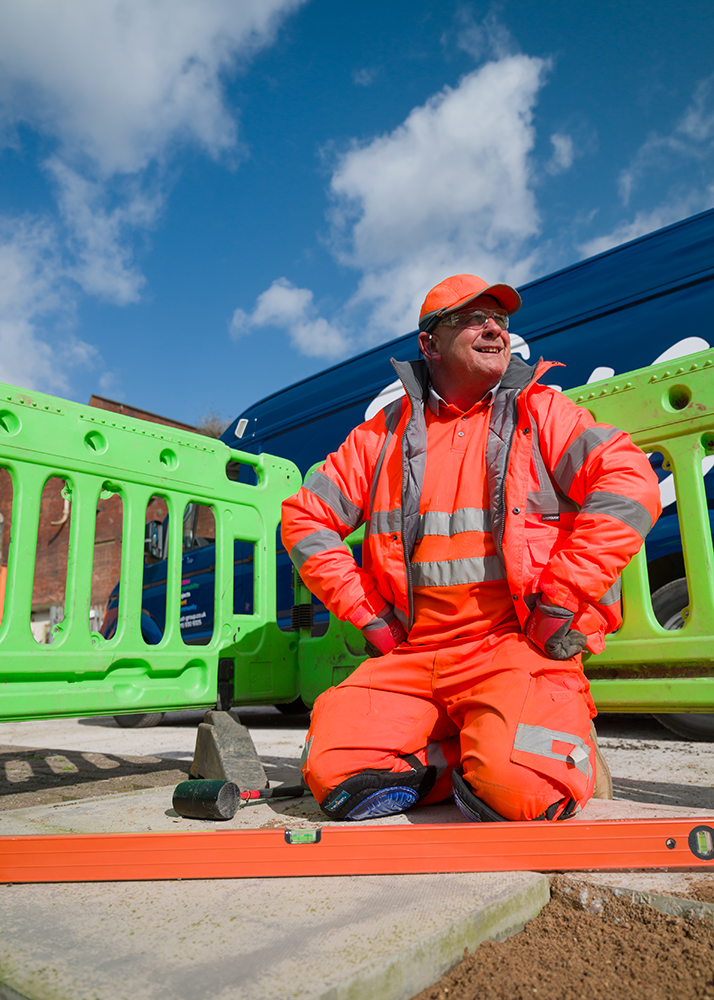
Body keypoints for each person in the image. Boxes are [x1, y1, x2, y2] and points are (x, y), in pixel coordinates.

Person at [281, 273, 661, 823]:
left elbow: (629, 484)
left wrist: (561, 598)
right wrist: (367, 615)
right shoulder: (379, 437)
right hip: (414, 656)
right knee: (336, 778)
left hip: (515, 649)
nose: (492, 329)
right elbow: (304, 519)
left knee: (525, 794)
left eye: (500, 321)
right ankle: (478, 749)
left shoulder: (543, 413)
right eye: (470, 319)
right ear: (429, 343)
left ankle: (506, 751)